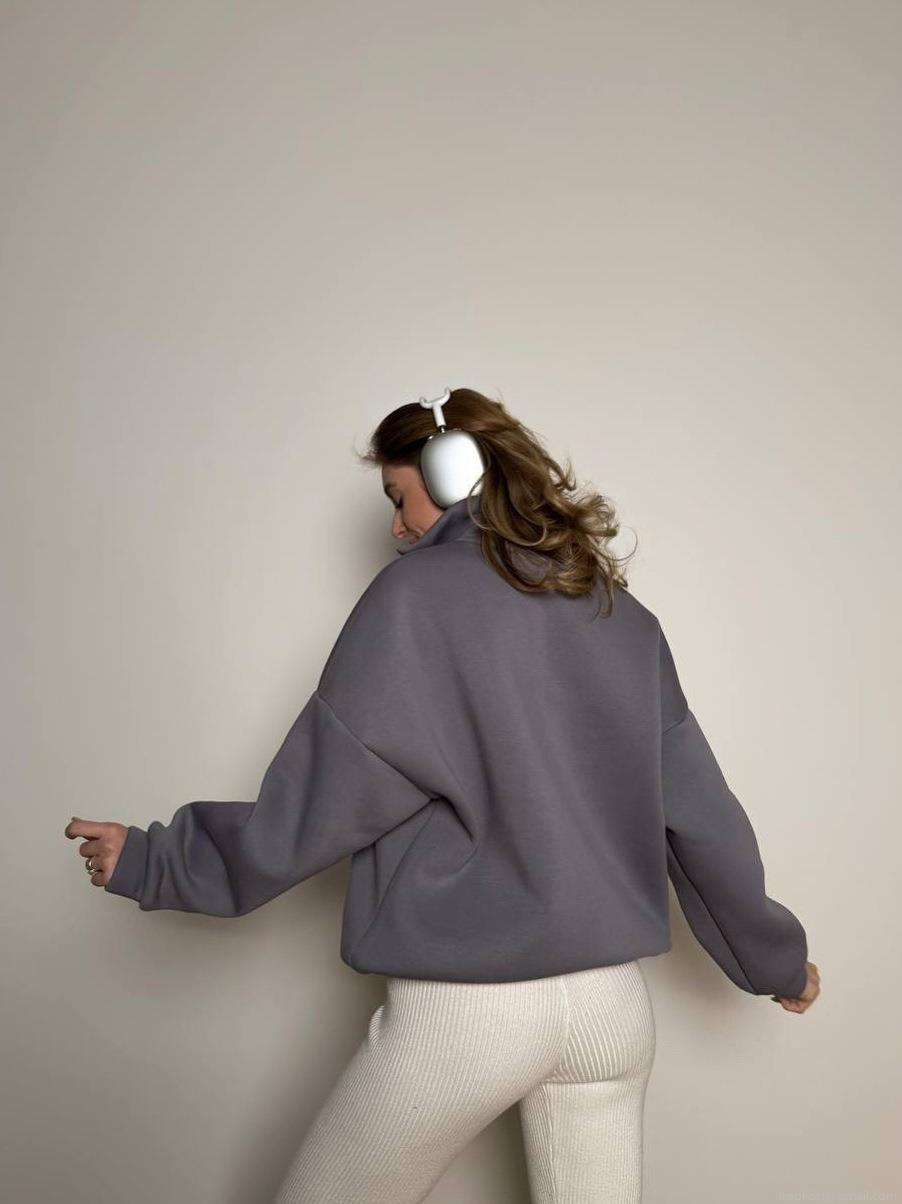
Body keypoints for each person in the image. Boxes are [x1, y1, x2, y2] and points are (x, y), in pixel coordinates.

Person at [64, 387, 819, 1203]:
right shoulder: (619, 614)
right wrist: (773, 962)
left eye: (399, 498)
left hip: (469, 1016)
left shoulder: (413, 601)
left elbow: (320, 801)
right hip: (611, 1013)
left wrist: (155, 860)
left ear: (456, 475)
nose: (396, 527)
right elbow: (702, 820)